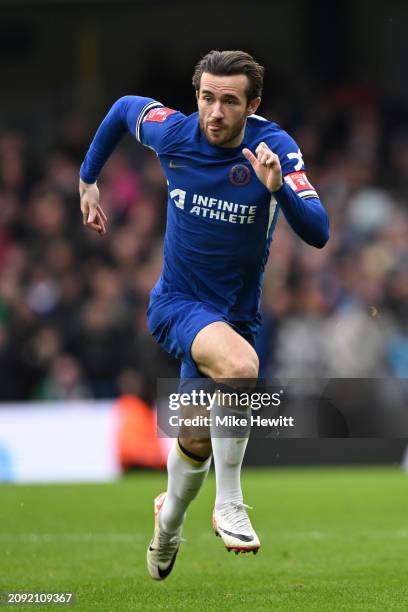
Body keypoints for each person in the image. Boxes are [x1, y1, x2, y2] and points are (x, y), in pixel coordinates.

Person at [79, 50, 329, 580]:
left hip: (235, 318)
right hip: (177, 305)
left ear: (252, 105)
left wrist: (278, 190)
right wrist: (88, 179)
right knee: (242, 367)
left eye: (230, 101)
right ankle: (231, 501)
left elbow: (319, 231)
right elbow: (124, 108)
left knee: (193, 440)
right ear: (197, 96)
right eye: (207, 98)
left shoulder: (273, 148)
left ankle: (166, 526)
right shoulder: (175, 133)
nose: (215, 112)